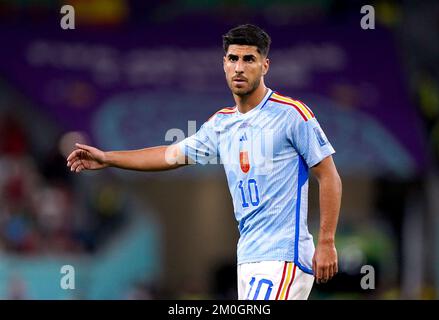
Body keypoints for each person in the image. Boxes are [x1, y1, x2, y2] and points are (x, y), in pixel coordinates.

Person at [66, 24, 342, 300]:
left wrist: (326, 241)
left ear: (265, 65)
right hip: (248, 256)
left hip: (284, 255)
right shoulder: (222, 124)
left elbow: (328, 175)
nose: (239, 68)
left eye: (249, 59)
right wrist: (108, 158)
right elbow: (169, 155)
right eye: (233, 59)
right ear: (224, 64)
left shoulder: (292, 115)